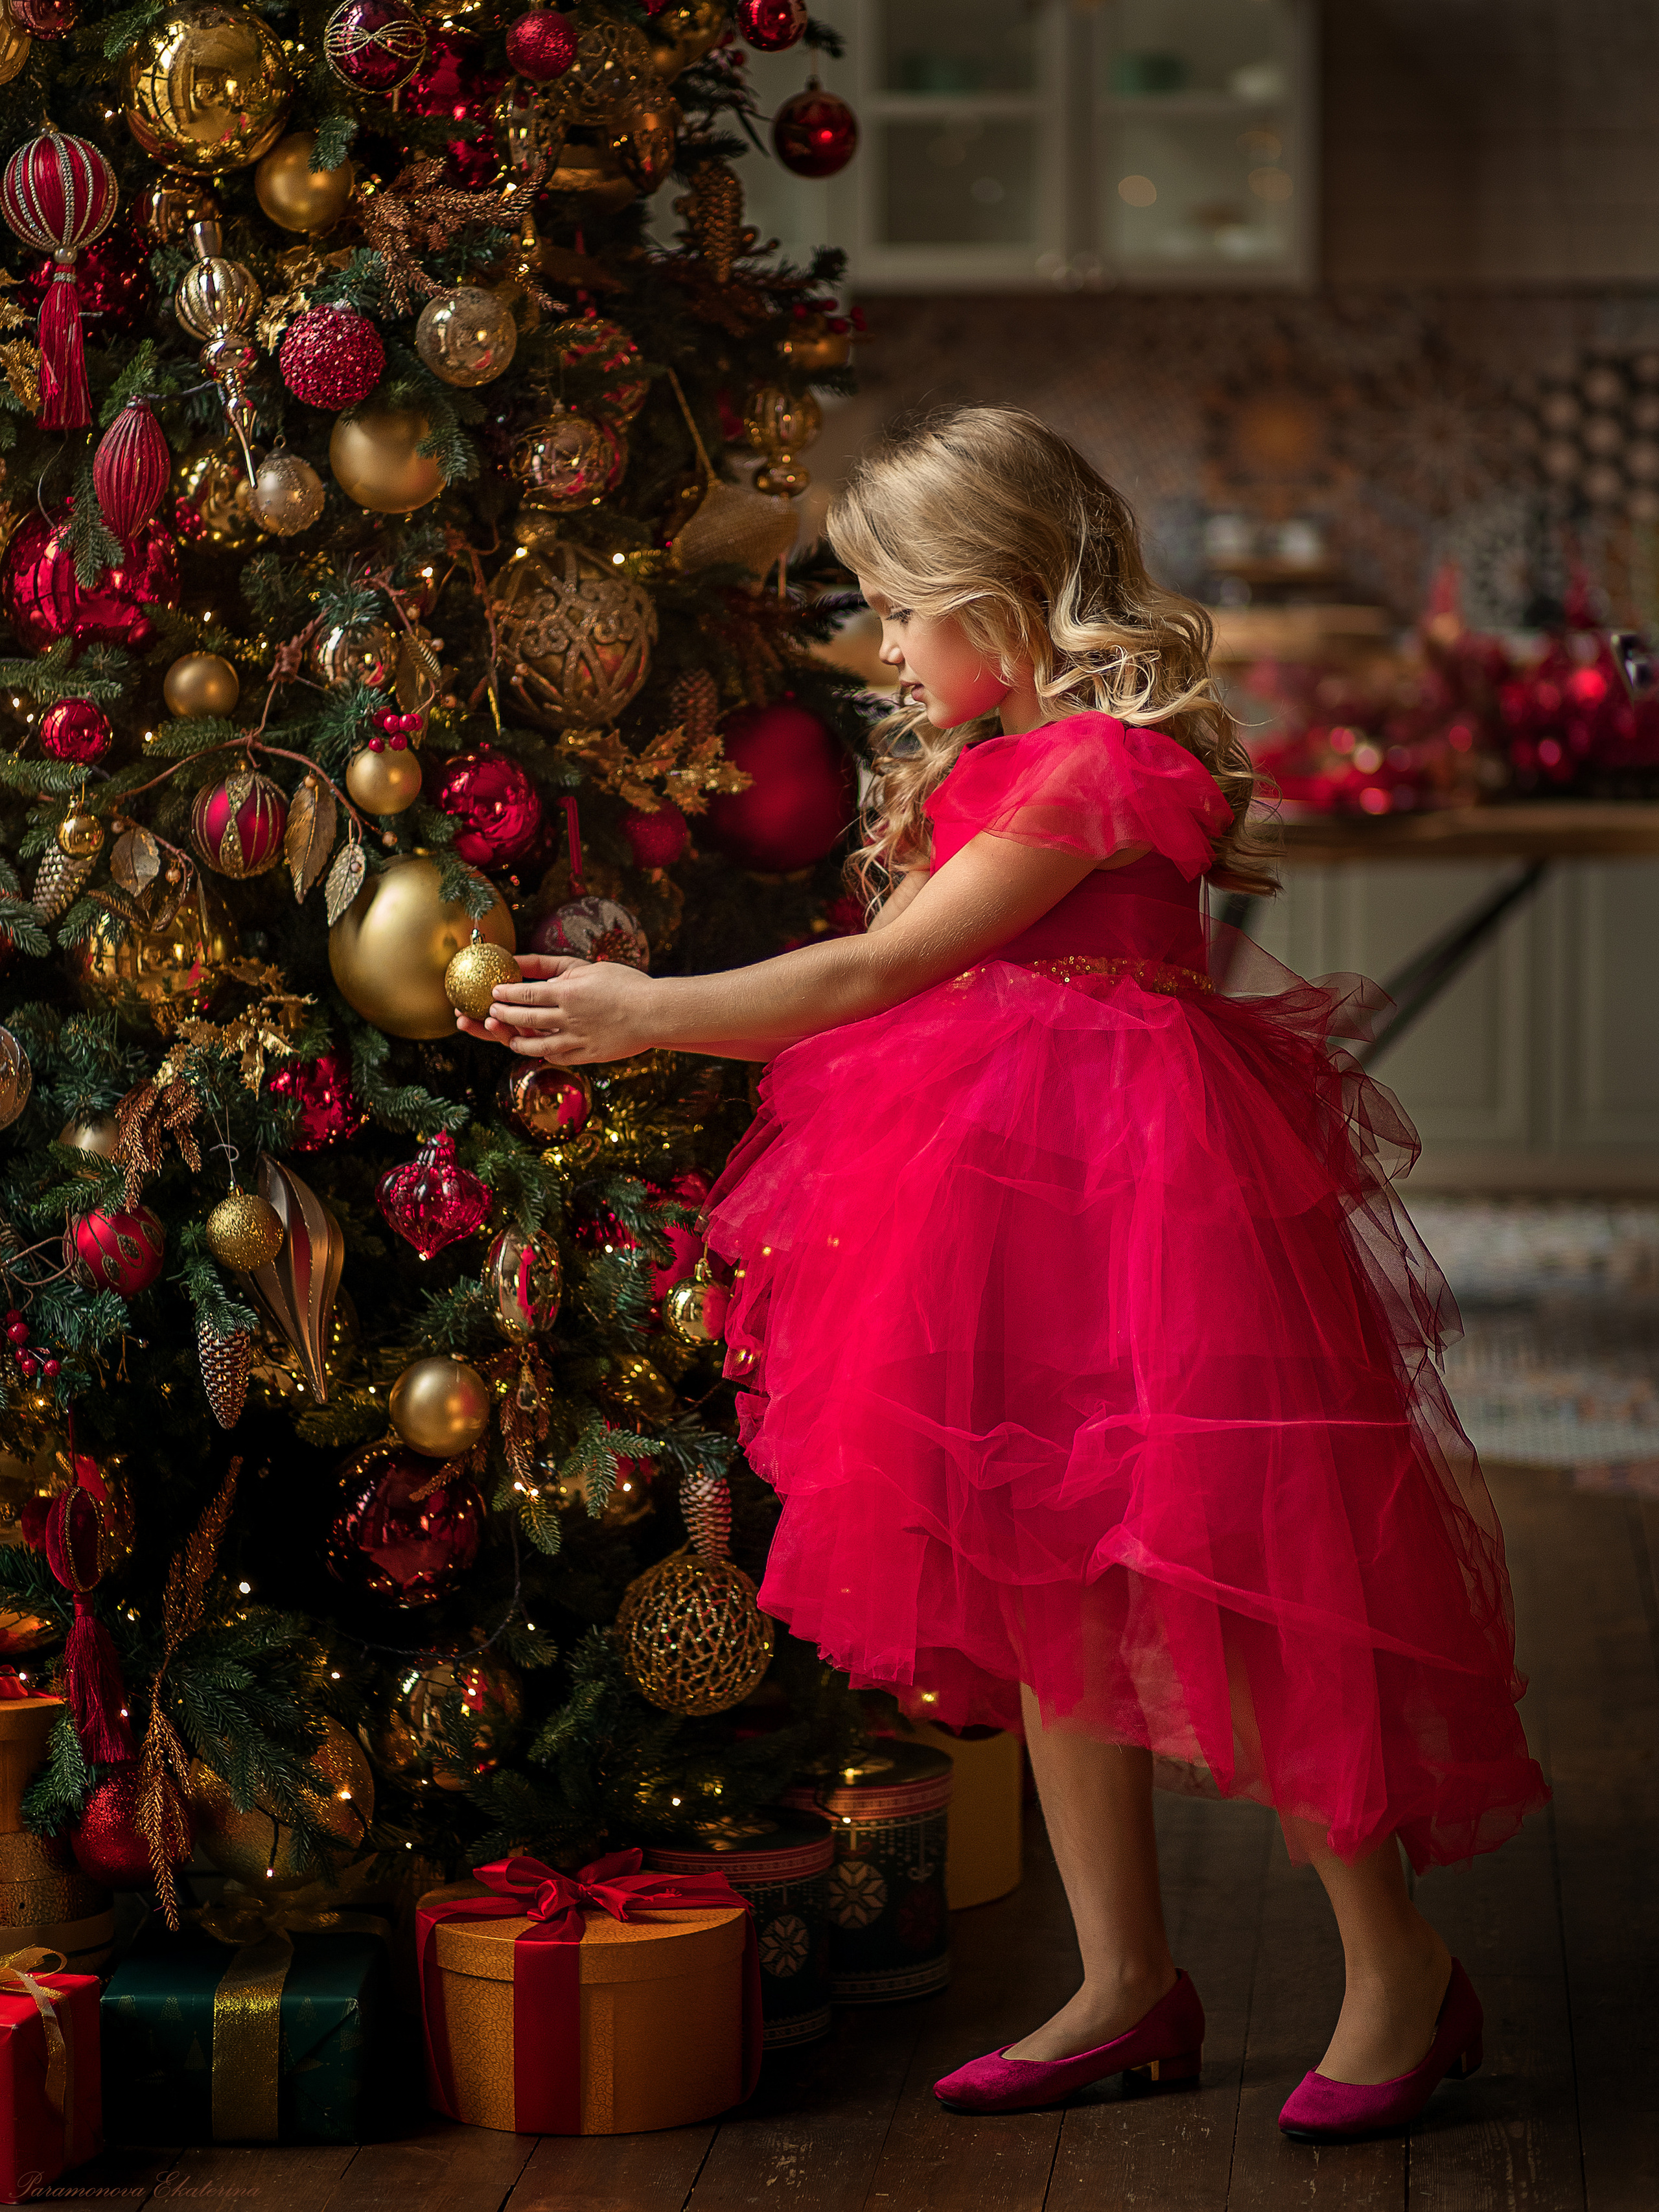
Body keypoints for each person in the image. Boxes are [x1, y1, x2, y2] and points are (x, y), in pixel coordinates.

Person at [457, 405, 1549, 2143]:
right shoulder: (989, 770)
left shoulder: (1106, 773)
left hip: (1150, 1222)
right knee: (1047, 1583)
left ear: (1002, 599)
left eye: (902, 610)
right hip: (1000, 1216)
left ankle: (1395, 1963)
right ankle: (1125, 1983)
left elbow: (867, 982)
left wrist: (639, 1019)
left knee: (1232, 1578)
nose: (885, 647)